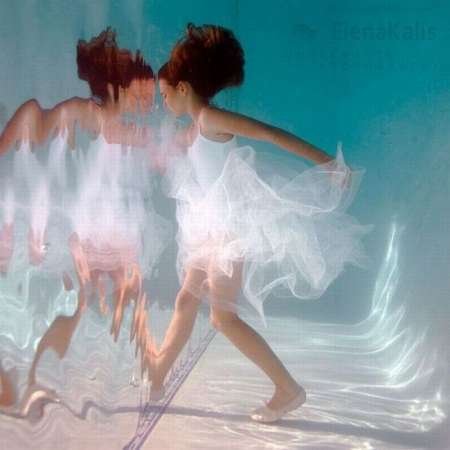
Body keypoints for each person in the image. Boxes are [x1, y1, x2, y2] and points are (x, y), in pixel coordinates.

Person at [151, 23, 370, 423]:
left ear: (183, 88)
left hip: (229, 232)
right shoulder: (196, 125)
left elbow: (270, 134)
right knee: (186, 299)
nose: (162, 102)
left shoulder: (210, 118)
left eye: (164, 95)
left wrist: (328, 163)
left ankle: (288, 390)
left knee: (223, 318)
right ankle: (158, 376)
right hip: (208, 228)